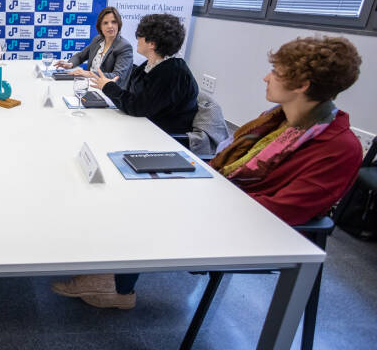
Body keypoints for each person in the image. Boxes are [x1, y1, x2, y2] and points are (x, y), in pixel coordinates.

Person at [52, 35, 363, 309]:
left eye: (277, 72)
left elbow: (279, 213)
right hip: (221, 197)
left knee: (138, 198)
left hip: (250, 228)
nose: (266, 78)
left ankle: (117, 287)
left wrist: (196, 196)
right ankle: (111, 271)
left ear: (302, 86)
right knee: (124, 176)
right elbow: (225, 167)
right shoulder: (276, 120)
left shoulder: (339, 148)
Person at [88, 13, 198, 134]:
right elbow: (135, 94)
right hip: (144, 126)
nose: (137, 40)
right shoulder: (152, 65)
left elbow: (138, 107)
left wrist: (108, 87)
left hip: (163, 136)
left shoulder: (173, 73)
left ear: (152, 44)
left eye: (140, 36)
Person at [54, 6, 133, 86]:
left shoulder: (124, 47)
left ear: (119, 24)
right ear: (100, 27)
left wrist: (89, 74)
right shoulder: (98, 39)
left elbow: (117, 76)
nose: (110, 26)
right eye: (105, 23)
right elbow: (80, 56)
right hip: (89, 85)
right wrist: (70, 64)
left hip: (108, 91)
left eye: (114, 22)